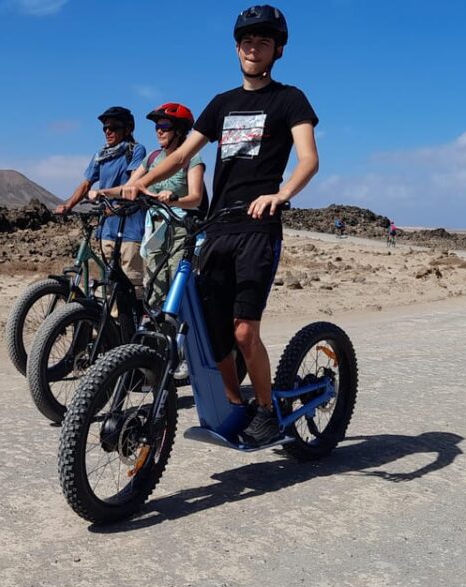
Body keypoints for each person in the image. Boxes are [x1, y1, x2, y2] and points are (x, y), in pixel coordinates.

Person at [123, 5, 319, 447]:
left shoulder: (289, 99)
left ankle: (268, 412)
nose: (254, 48)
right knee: (212, 337)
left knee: (244, 330)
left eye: (263, 42)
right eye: (248, 42)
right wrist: (136, 183)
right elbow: (177, 157)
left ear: (277, 50)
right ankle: (237, 406)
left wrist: (280, 195)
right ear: (237, 48)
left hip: (259, 227)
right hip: (218, 229)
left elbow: (309, 159)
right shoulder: (221, 104)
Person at [93, 102, 205, 307]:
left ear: (180, 131)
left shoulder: (192, 158)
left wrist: (175, 199)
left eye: (165, 126)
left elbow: (196, 198)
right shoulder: (153, 158)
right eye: (157, 127)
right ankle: (156, 335)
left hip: (181, 230)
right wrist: (102, 193)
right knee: (154, 287)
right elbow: (130, 186)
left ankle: (181, 334)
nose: (159, 131)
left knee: (177, 288)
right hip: (155, 231)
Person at [55, 107, 147, 296]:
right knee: (109, 281)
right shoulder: (101, 155)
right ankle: (111, 323)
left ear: (127, 129)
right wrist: (68, 205)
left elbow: (132, 185)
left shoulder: (135, 150)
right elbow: (86, 183)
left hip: (130, 227)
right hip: (107, 228)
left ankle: (132, 323)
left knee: (131, 282)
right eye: (104, 128)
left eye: (113, 127)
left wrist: (114, 206)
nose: (107, 132)